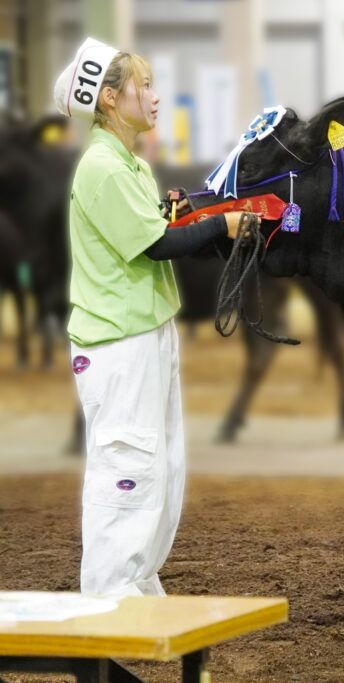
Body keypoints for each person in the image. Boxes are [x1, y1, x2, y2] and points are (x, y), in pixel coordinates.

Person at [54, 38, 256, 596]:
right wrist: (223, 224)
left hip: (144, 335)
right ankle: (109, 596)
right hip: (120, 344)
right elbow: (157, 246)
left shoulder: (130, 165)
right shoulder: (104, 168)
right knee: (129, 468)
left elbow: (159, 229)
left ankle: (135, 585)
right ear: (112, 99)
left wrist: (193, 214)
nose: (155, 96)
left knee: (158, 469)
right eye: (144, 86)